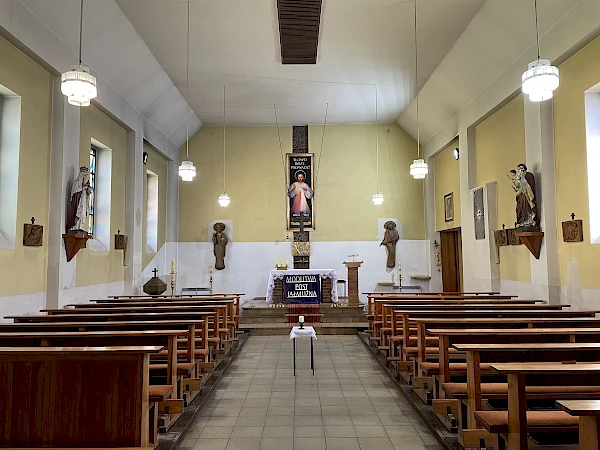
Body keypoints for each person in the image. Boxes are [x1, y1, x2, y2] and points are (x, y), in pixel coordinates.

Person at [66, 166, 92, 233]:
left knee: (82, 214)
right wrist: (83, 188)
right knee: (77, 214)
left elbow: (85, 193)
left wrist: (87, 192)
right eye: (83, 175)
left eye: (85, 176)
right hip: (77, 202)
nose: (84, 177)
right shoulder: (76, 182)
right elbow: (74, 193)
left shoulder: (83, 184)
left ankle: (80, 227)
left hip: (83, 202)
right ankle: (75, 227)